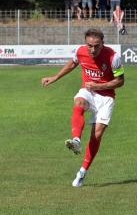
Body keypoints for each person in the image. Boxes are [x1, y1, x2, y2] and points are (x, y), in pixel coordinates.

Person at [41, 28, 125, 187]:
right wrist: (55, 77)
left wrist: (100, 86)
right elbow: (73, 63)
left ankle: (82, 172)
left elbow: (120, 81)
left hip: (106, 98)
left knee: (97, 135)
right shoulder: (80, 51)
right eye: (89, 45)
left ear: (102, 43)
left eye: (96, 46)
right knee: (79, 102)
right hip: (88, 91)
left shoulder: (114, 57)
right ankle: (76, 140)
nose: (92, 49)